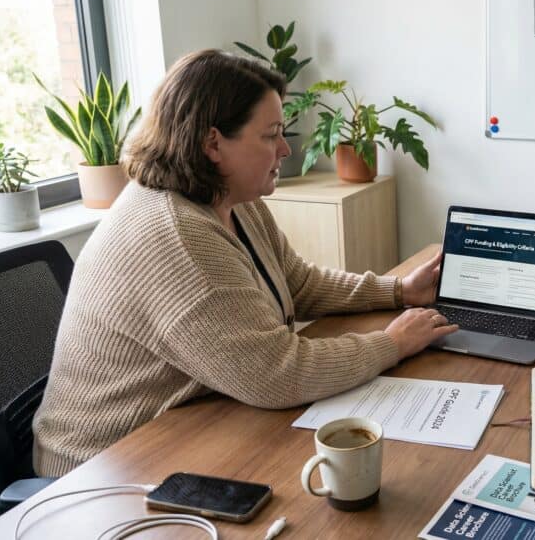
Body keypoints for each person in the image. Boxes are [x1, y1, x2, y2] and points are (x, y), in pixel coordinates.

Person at [32, 49, 458, 476]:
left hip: (192, 423)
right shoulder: (178, 235)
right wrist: (392, 343)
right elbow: (276, 374)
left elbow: (297, 283)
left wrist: (400, 291)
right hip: (100, 466)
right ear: (213, 143)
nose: (285, 149)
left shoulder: (229, 198)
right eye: (271, 135)